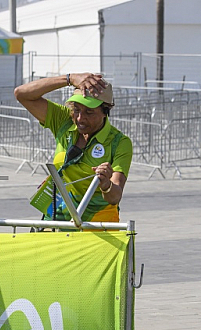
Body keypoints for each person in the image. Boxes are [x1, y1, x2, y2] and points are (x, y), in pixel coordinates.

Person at [14, 73, 133, 223]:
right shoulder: (64, 121)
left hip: (96, 225)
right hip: (57, 218)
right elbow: (22, 94)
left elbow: (114, 197)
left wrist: (105, 184)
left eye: (89, 112)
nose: (80, 118)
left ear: (106, 111)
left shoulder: (119, 142)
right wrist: (69, 79)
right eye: (76, 110)